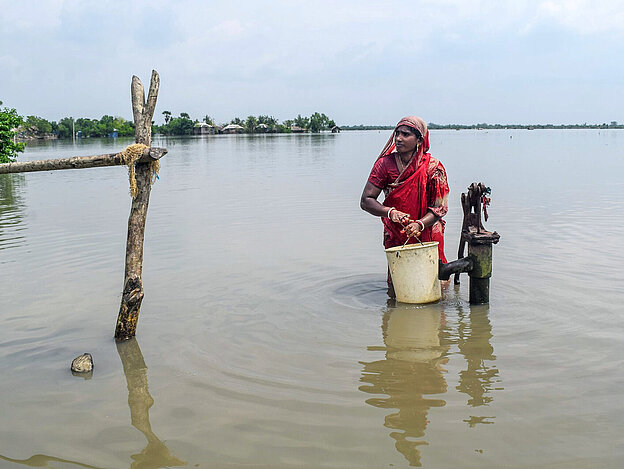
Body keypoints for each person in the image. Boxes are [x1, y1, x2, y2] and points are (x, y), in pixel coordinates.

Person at [360, 116, 449, 296]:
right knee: (398, 286)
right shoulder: (384, 165)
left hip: (428, 232)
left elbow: (439, 208)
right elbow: (366, 200)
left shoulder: (433, 168)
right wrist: (390, 212)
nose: (399, 138)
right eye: (397, 134)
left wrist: (419, 224)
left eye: (405, 134)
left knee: (435, 285)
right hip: (396, 232)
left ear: (419, 139)